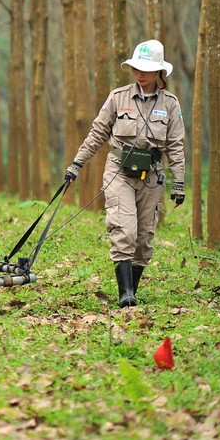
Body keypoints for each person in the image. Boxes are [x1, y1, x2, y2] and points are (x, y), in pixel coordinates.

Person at [64, 40, 185, 308]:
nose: (140, 74)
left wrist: (179, 182)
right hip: (119, 172)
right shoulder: (118, 97)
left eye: (146, 69)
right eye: (136, 68)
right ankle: (125, 294)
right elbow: (97, 134)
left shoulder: (170, 104)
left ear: (159, 72)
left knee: (143, 240)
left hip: (152, 175)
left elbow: (175, 145)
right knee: (125, 230)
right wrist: (77, 164)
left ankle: (133, 289)